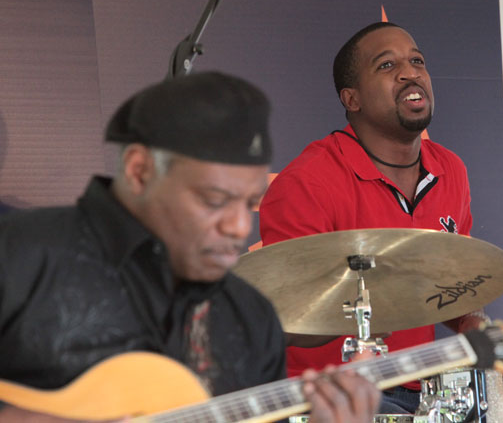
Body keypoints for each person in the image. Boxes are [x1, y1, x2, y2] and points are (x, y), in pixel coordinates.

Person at [0, 72, 380, 422]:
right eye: (214, 199)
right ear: (139, 171)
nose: (238, 225)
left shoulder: (251, 319)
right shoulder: (18, 255)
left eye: (248, 201)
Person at [258, 22, 486, 414]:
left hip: (425, 392)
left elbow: (453, 287)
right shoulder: (308, 182)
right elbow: (280, 318)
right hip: (332, 398)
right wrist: (355, 317)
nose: (410, 72)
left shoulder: (451, 169)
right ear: (352, 99)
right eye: (386, 65)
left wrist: (476, 326)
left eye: (417, 61)